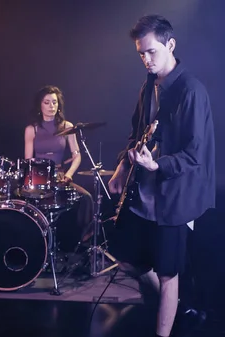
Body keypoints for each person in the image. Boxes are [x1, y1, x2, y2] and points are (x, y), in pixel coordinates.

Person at [108, 14, 213, 337]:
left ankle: (163, 330)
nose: (146, 60)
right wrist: (121, 168)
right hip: (146, 193)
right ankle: (176, 309)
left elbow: (196, 154)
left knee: (169, 273)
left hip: (175, 196)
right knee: (127, 259)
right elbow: (136, 133)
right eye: (140, 53)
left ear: (170, 45)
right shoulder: (148, 87)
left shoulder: (191, 91)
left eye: (151, 52)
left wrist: (158, 165)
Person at [23, 85, 94, 248]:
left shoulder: (67, 126)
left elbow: (77, 155)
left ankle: (83, 243)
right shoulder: (31, 129)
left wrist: (68, 175)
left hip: (61, 176)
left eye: (54, 102)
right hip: (40, 178)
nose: (51, 106)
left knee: (87, 198)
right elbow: (28, 160)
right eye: (47, 102)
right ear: (40, 106)